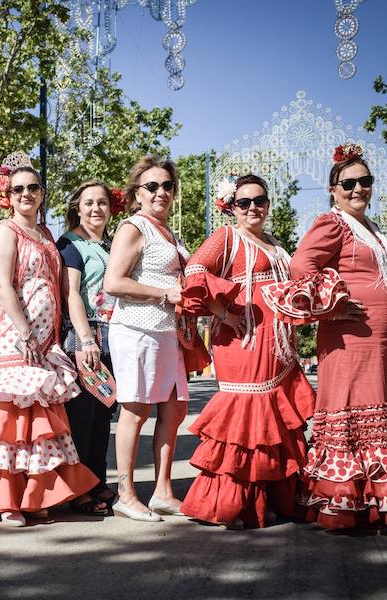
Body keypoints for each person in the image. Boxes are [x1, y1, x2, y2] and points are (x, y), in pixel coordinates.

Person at [271, 143, 387, 529]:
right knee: (355, 411)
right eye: (349, 183)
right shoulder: (333, 223)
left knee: (379, 410)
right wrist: (332, 305)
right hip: (349, 338)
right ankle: (344, 501)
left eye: (365, 181)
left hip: (376, 339)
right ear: (333, 189)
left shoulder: (371, 229)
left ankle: (378, 496)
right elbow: (300, 264)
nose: (358, 188)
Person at [0, 153, 98, 527]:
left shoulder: (46, 234)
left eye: (32, 188)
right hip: (15, 332)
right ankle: (6, 500)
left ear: (42, 193)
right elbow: (2, 284)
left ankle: (34, 495)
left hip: (45, 337)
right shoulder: (4, 230)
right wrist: (24, 330)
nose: (26, 194)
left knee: (39, 416)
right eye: (18, 189)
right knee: (12, 416)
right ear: (8, 195)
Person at [178, 174, 316, 529]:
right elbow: (194, 272)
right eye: (244, 202)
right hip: (243, 342)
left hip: (278, 344)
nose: (253, 208)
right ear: (231, 208)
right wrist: (223, 313)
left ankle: (272, 498)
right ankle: (232, 504)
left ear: (268, 205)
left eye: (260, 201)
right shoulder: (226, 237)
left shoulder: (273, 242)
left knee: (273, 420)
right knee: (247, 418)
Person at [103, 155, 190, 522]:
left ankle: (163, 492)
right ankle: (126, 494)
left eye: (167, 185)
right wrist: (164, 293)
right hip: (137, 331)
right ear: (136, 193)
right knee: (136, 410)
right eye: (152, 186)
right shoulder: (133, 227)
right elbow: (114, 283)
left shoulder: (170, 232)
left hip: (169, 334)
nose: (161, 192)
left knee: (174, 409)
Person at [57, 180, 123, 515]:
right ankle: (78, 492)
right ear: (77, 208)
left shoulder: (113, 245)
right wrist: (84, 339)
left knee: (101, 418)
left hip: (115, 336)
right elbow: (71, 294)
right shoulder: (71, 244)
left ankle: (97, 483)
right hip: (86, 338)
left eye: (102, 203)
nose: (95, 208)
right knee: (81, 418)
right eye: (88, 203)